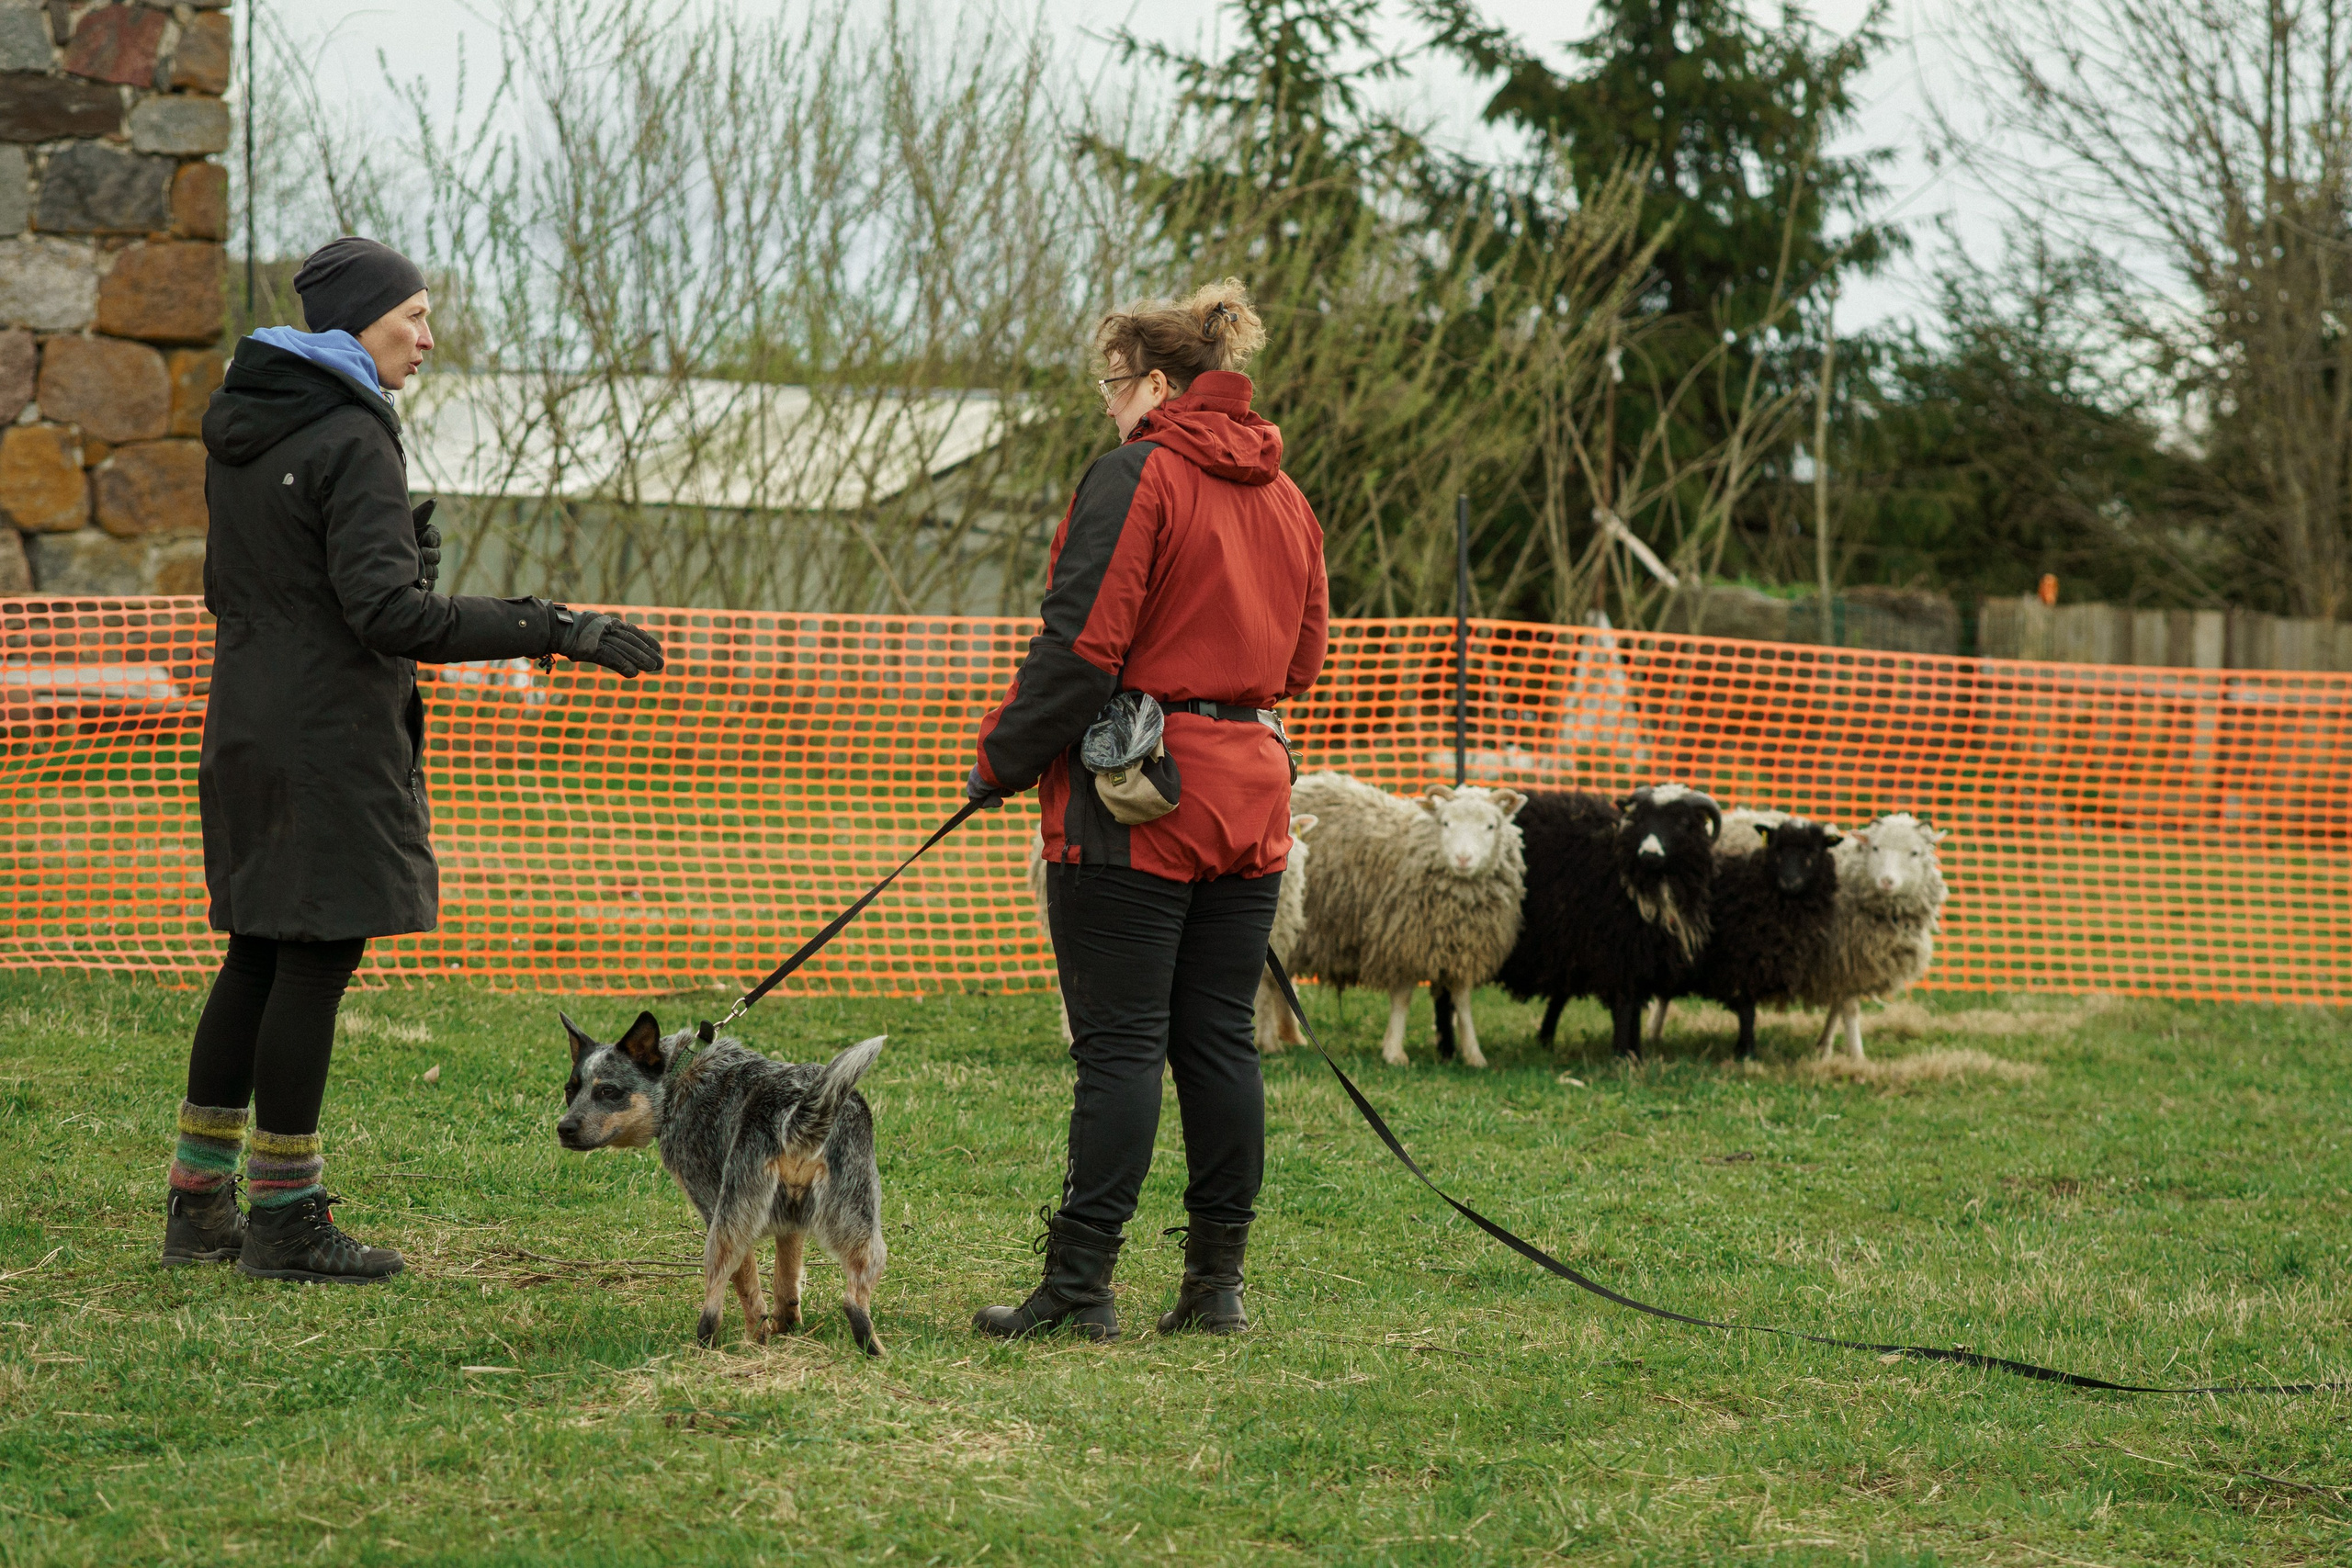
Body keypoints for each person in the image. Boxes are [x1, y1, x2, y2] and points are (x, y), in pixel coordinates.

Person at [161, 236, 666, 1283]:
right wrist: (550, 624)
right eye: (414, 317)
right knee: (311, 959)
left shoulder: (247, 426)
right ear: (357, 323)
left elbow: (262, 584)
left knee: (255, 953)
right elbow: (389, 615)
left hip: (249, 722)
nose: (429, 338)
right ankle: (285, 1219)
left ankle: (198, 1203)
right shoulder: (351, 433)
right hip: (328, 739)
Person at [967, 279, 1329, 1340]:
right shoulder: (1287, 495)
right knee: (1219, 1041)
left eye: (1111, 386)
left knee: (1119, 1048)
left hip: (1140, 797)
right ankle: (1215, 1287)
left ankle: (1080, 1289)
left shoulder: (1138, 478)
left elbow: (1081, 650)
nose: (1106, 408)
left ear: (1158, 384)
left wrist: (998, 759)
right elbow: (1302, 659)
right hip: (1252, 790)